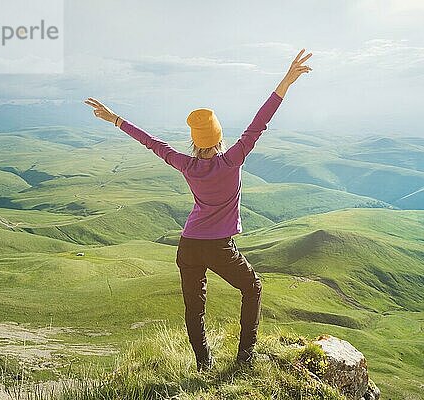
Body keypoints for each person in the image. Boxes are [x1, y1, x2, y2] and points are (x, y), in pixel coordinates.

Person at [85, 48, 312, 371]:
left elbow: (151, 142)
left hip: (189, 246)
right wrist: (286, 81)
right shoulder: (232, 159)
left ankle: (203, 363)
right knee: (253, 287)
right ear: (219, 138)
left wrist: (115, 119)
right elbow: (259, 122)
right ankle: (245, 357)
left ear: (195, 141)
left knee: (195, 309)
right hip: (219, 247)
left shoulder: (186, 165)